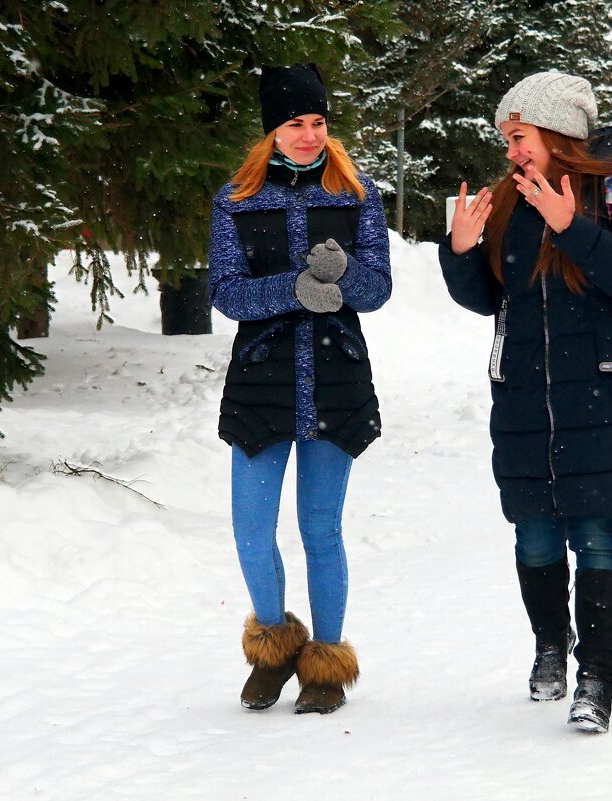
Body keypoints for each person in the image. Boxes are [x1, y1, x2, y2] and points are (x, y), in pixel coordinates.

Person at [439, 71, 612, 733]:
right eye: (506, 139)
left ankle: (595, 678)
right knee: (534, 535)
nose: (509, 151)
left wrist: (570, 226)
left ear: (554, 132)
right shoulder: (512, 202)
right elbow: (491, 299)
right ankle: (548, 647)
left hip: (605, 395)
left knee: (597, 537)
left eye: (517, 136)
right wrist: (459, 251)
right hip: (525, 404)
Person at [208, 63, 391, 715]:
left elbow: (378, 288)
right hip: (261, 381)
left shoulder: (355, 194)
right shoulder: (234, 200)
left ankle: (326, 665)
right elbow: (225, 293)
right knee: (251, 529)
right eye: (295, 123)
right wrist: (289, 287)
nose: (309, 134)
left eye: (317, 122)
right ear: (272, 132)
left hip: (334, 377)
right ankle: (276, 647)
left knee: (321, 527)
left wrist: (344, 276)